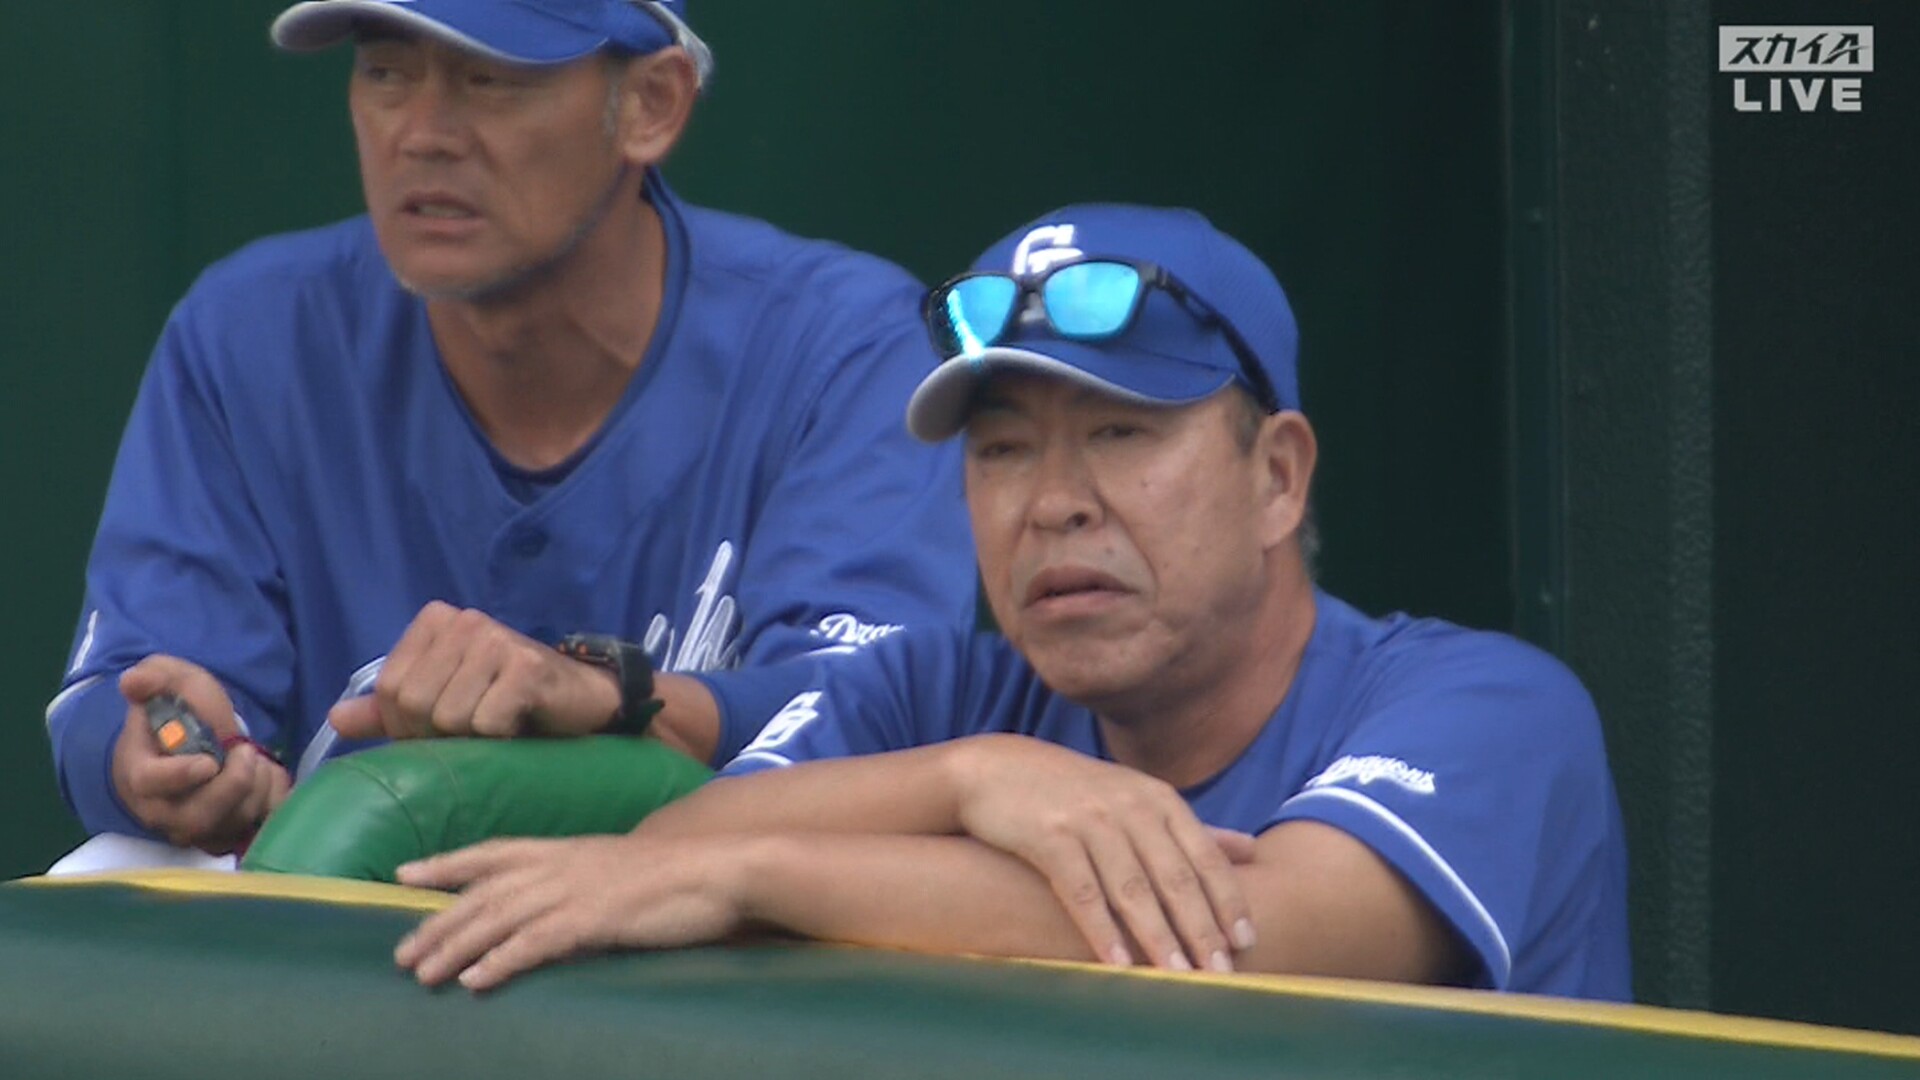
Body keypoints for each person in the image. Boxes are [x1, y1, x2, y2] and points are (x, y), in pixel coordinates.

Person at [389, 204, 1632, 1000]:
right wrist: (971, 779)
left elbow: (1251, 934)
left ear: (1276, 478)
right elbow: (666, 855)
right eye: (1003, 451)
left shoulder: (1489, 706)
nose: (1053, 504)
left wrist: (756, 876)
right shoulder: (944, 698)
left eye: (1120, 432)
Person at [42, 0, 976, 867]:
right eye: (386, 72)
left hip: (708, 943)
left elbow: (886, 710)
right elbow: (120, 693)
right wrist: (154, 755)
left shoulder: (840, 347)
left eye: (490, 78)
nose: (422, 133)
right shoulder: (253, 332)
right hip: (344, 935)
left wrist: (612, 697)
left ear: (650, 105)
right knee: (115, 869)